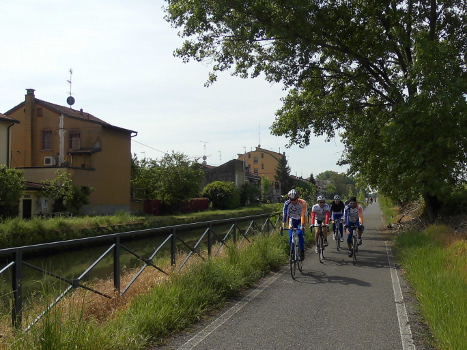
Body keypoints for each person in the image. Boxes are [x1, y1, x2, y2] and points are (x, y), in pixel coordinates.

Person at [282, 189, 307, 260]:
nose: (293, 201)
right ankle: (292, 253)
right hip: (292, 219)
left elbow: (303, 215)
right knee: (290, 236)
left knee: (299, 234)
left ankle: (302, 252)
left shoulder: (303, 203)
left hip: (301, 219)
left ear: (297, 198)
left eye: (294, 199)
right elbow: (285, 214)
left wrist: (302, 226)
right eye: (291, 199)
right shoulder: (287, 203)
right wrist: (283, 225)